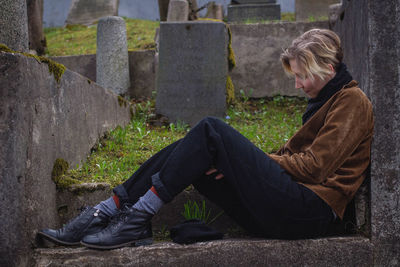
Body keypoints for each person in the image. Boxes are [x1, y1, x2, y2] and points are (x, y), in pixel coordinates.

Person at [38, 29, 374, 249]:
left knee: (212, 129)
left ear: (328, 69)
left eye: (302, 76)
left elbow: (315, 168)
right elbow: (298, 162)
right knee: (194, 152)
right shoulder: (326, 100)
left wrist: (249, 160)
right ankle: (110, 211)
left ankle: (135, 215)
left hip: (309, 212)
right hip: (286, 208)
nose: (298, 85)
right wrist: (238, 163)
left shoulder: (351, 101)